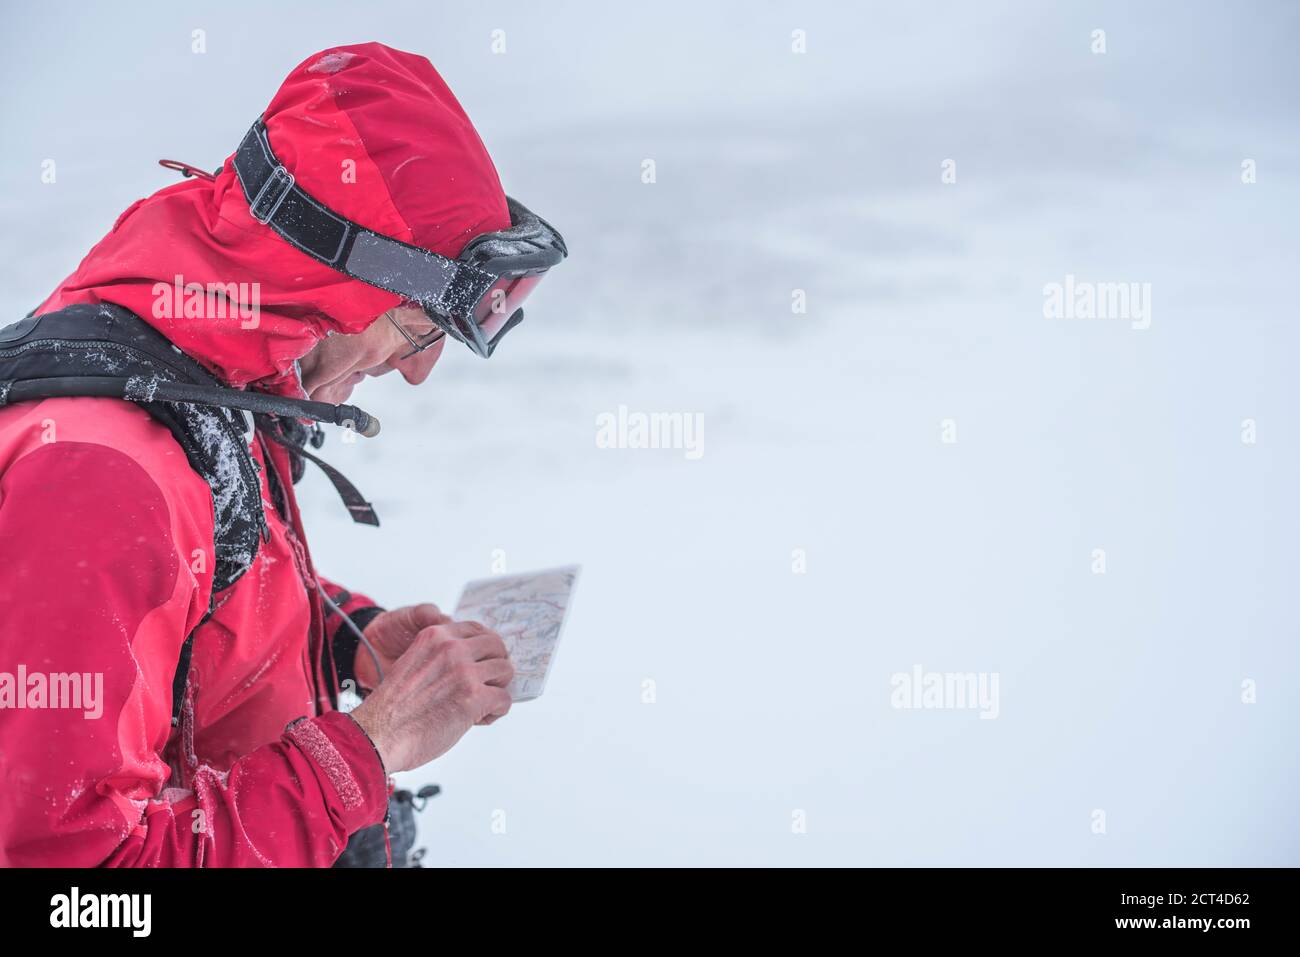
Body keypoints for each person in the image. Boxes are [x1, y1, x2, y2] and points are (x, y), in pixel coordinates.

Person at [0, 42, 566, 867]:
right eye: (416, 330)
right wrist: (366, 750)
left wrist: (345, 633)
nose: (414, 373)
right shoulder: (98, 475)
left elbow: (184, 589)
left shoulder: (208, 367)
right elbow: (79, 886)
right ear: (334, 284)